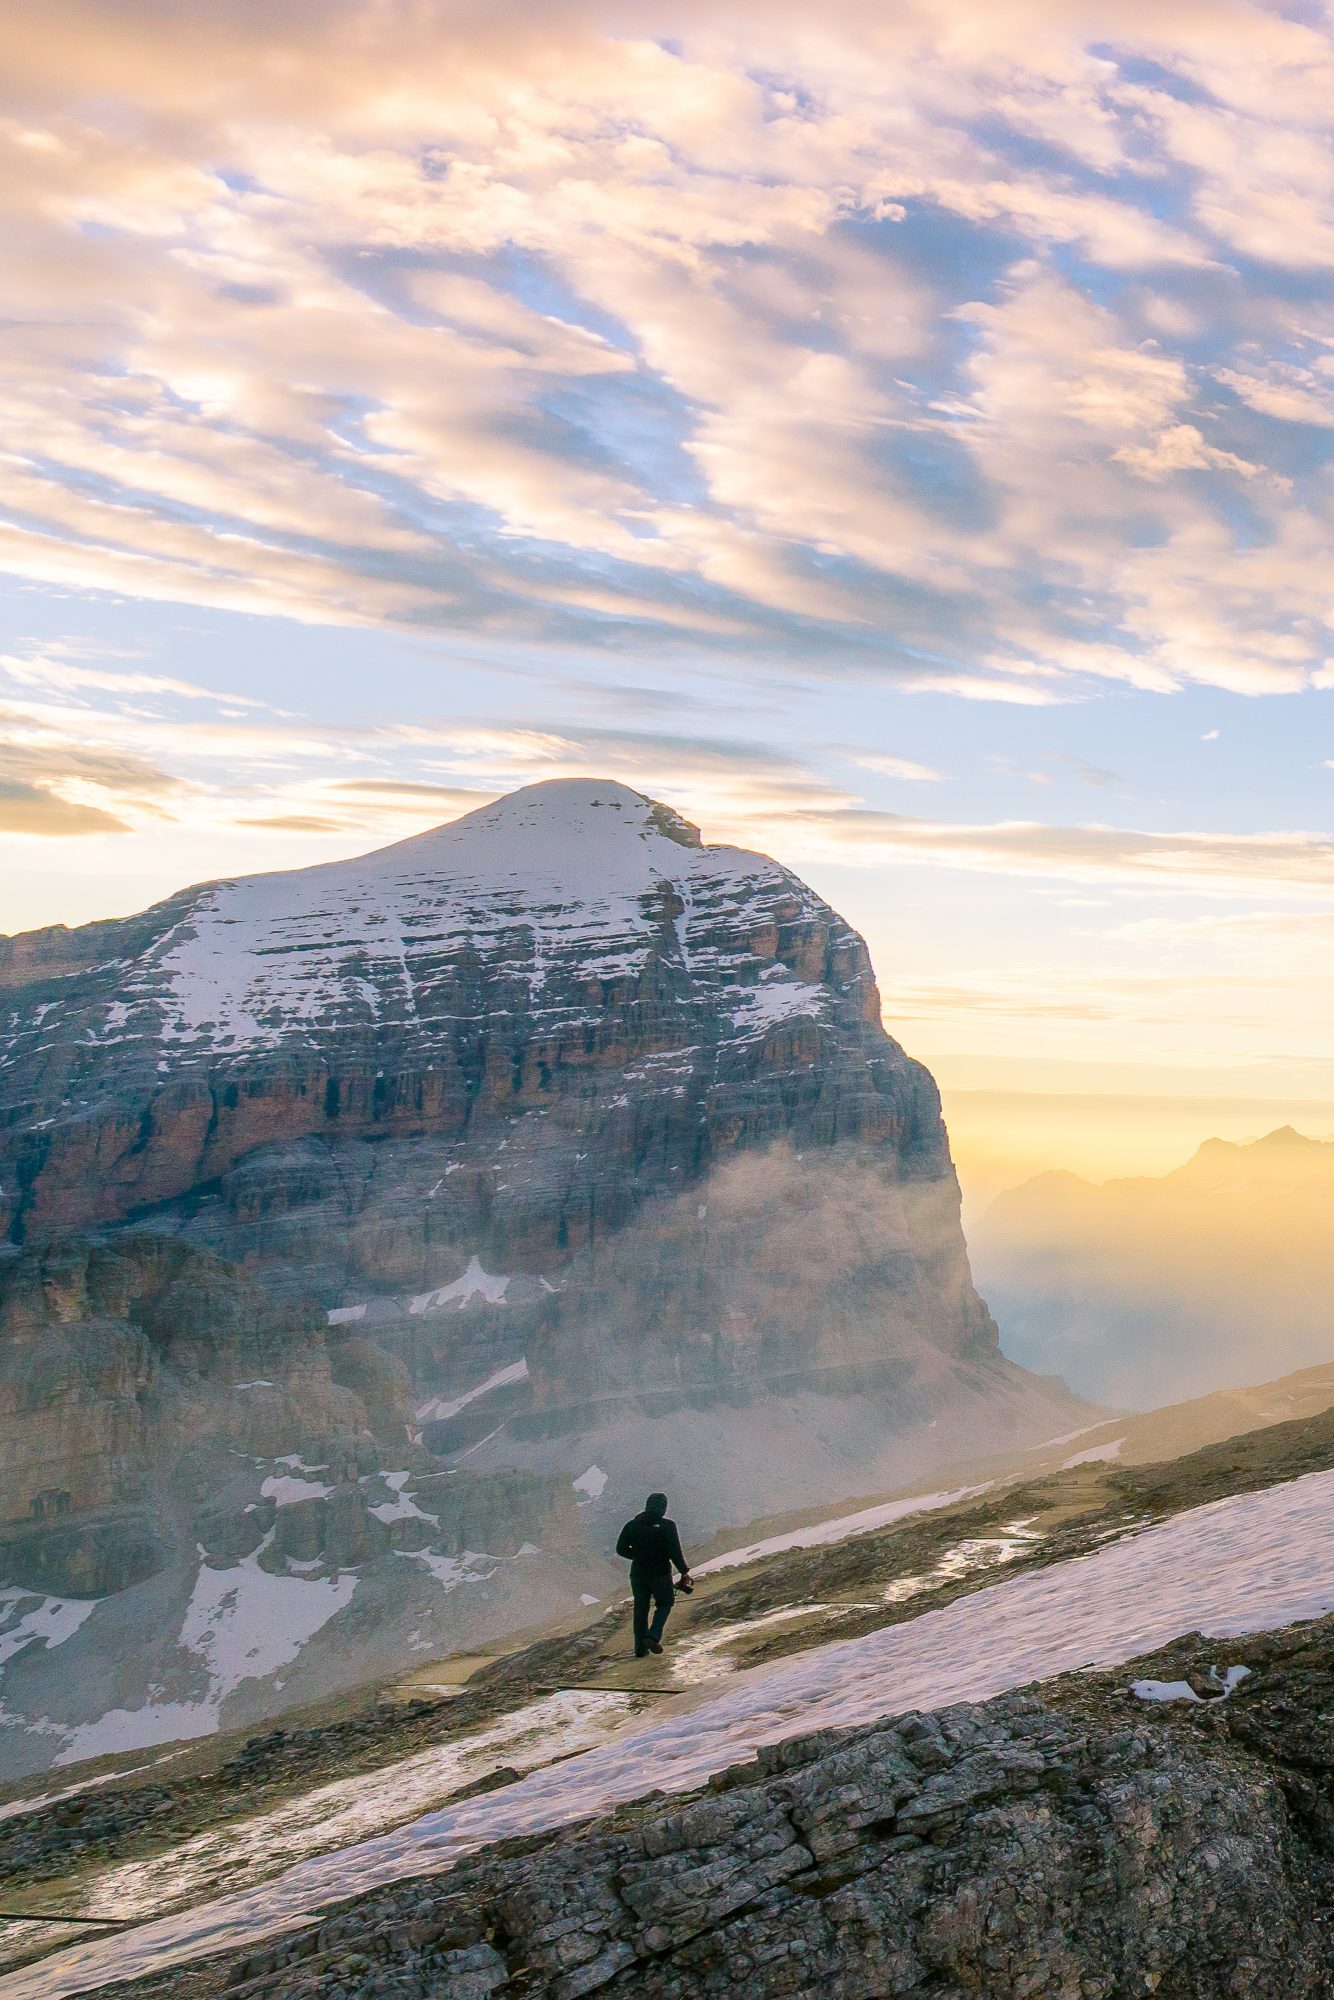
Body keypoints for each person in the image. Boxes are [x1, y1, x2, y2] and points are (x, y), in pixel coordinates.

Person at [616, 1491, 692, 1657]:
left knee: (641, 1610)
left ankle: (640, 1650)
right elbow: (675, 1552)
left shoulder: (632, 1525)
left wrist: (637, 1555)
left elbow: (620, 1549)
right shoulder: (668, 1526)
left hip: (638, 1574)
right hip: (660, 1574)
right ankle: (653, 1636)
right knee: (665, 1604)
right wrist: (684, 1572)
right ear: (663, 1508)